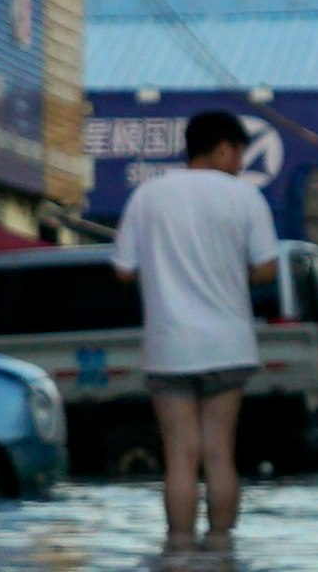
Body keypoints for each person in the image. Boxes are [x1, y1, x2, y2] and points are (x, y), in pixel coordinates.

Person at [110, 111, 279, 545]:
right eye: (240, 152)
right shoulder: (246, 199)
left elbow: (123, 272)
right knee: (220, 452)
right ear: (223, 147)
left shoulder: (148, 196)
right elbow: (266, 270)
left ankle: (180, 554)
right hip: (229, 345)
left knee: (180, 457)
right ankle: (222, 549)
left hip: (169, 347)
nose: (241, 163)